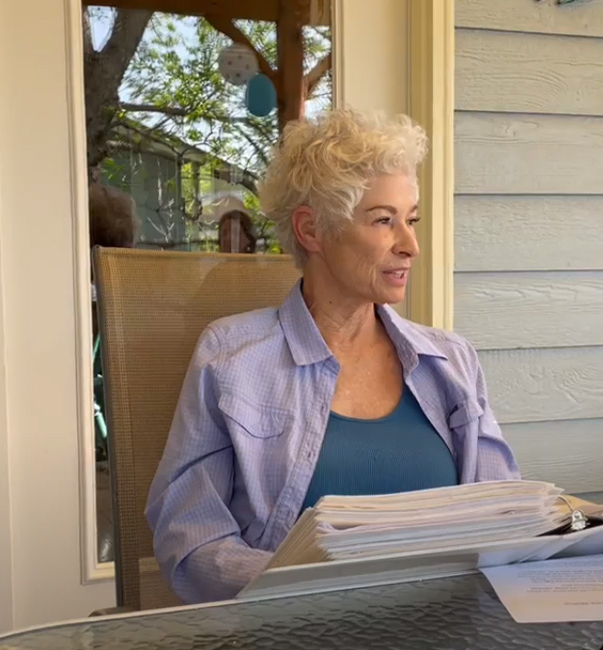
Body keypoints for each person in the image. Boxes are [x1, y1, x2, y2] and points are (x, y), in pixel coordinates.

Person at [146, 109, 520, 604]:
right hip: (297, 631)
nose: (411, 245)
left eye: (411, 220)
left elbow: (505, 512)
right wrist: (319, 591)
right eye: (384, 221)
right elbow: (190, 540)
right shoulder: (232, 357)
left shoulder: (452, 361)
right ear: (312, 231)